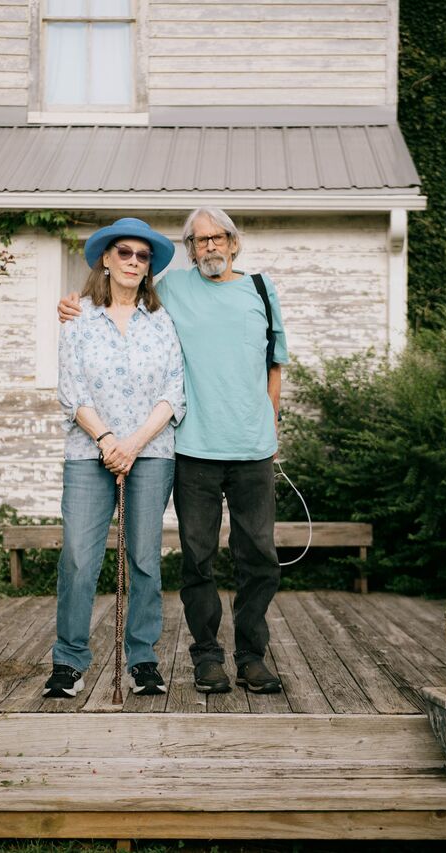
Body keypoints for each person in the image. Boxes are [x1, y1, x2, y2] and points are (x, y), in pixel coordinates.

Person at [58, 208, 288, 695]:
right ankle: (204, 657)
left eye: (217, 238)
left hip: (241, 450)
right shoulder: (168, 295)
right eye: (199, 241)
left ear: (234, 241)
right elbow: (78, 370)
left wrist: (270, 426)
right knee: (193, 560)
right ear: (188, 250)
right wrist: (69, 304)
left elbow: (274, 366)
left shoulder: (257, 293)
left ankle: (249, 657)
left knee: (258, 558)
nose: (209, 247)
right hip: (192, 451)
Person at [43, 218, 185, 700]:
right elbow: (70, 390)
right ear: (105, 259)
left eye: (142, 256)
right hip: (89, 452)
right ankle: (68, 662)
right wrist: (106, 439)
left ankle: (142, 660)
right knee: (80, 558)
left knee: (144, 558)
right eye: (123, 252)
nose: (132, 261)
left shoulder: (162, 321)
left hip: (150, 453)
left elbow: (173, 392)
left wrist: (133, 444)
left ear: (149, 269)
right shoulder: (77, 316)